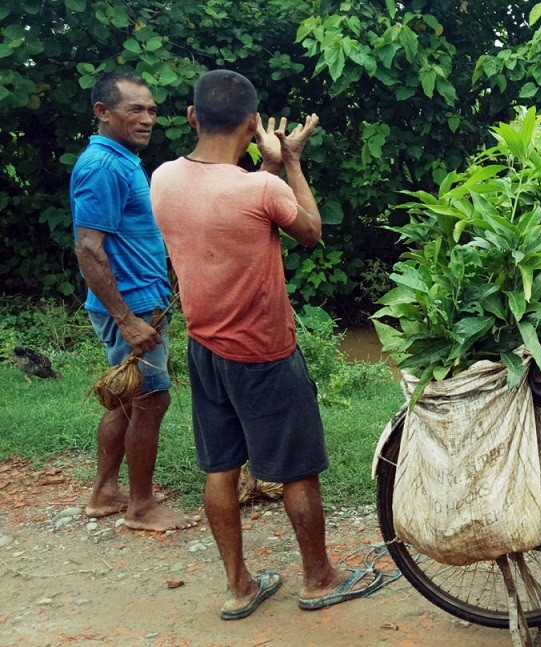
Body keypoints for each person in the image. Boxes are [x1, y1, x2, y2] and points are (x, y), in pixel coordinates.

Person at [150, 69, 382, 620]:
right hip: (265, 351)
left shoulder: (161, 178)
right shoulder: (263, 187)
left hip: (203, 348)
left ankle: (238, 587)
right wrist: (291, 160)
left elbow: (225, 202)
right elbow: (309, 230)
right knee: (298, 468)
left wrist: (271, 166)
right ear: (253, 123)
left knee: (220, 467)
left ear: (191, 118)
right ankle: (319, 577)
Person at [70, 71, 199, 532]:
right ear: (102, 112)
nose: (147, 119)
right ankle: (141, 506)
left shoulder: (120, 159)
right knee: (151, 400)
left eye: (151, 110)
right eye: (135, 110)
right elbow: (88, 247)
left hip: (141, 301)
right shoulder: (103, 166)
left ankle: (105, 492)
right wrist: (127, 319)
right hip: (132, 306)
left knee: (125, 402)